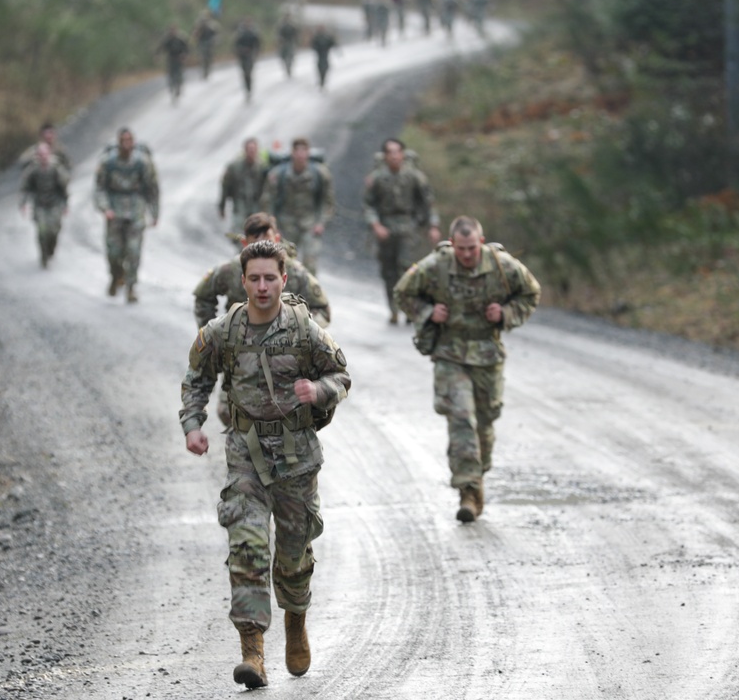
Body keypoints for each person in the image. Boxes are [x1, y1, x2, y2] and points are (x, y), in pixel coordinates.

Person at [180, 239, 351, 689]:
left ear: (283, 280)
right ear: (242, 282)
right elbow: (197, 378)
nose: (261, 286)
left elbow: (340, 374)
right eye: (253, 278)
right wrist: (193, 424)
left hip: (295, 456)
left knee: (293, 556)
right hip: (245, 453)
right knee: (247, 547)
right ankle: (252, 651)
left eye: (269, 278)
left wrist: (319, 392)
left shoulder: (303, 328)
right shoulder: (224, 330)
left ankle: (296, 617)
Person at [394, 216, 540, 523]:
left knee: (484, 426)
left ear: (482, 243)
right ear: (453, 246)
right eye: (461, 249)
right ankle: (468, 492)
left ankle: (477, 476)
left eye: (472, 248)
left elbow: (531, 292)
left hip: (487, 355)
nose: (467, 255)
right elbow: (403, 293)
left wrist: (506, 313)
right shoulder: (436, 265)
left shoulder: (503, 266)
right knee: (462, 420)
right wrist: (428, 311)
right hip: (450, 354)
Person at [194, 212, 332, 426]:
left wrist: (301, 332)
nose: (261, 245)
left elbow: (322, 310)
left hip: (284, 356)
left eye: (266, 239)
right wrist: (214, 335)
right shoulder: (231, 270)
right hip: (241, 353)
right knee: (227, 411)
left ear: (276, 239)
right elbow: (203, 296)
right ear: (244, 243)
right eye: (254, 240)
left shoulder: (294, 272)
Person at [363, 138, 442, 323]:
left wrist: (433, 225)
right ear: (385, 156)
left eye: (397, 152)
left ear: (403, 154)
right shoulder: (377, 178)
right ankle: (393, 309)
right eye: (390, 152)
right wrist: (376, 225)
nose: (394, 156)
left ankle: (409, 308)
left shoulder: (414, 177)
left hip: (408, 226)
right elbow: (368, 205)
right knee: (388, 271)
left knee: (408, 269)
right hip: (386, 227)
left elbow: (428, 202)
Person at [94, 127, 159, 301]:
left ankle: (131, 287)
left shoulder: (142, 163)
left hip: (136, 209)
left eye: (130, 140)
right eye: (124, 141)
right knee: (114, 252)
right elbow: (100, 188)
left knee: (133, 250)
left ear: (134, 142)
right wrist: (105, 208)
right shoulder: (108, 162)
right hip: (115, 211)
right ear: (118, 143)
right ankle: (116, 276)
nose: (127, 144)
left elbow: (152, 188)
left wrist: (154, 212)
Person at [260, 138, 335, 275]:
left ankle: (309, 295)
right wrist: (272, 227)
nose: (300, 154)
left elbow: (328, 201)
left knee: (310, 264)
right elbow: (267, 201)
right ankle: (285, 295)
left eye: (304, 151)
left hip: (310, 224)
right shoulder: (278, 174)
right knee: (284, 264)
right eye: (297, 151)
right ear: (292, 153)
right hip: (285, 225)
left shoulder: (320, 174)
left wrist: (321, 222)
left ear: (308, 153)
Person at [19, 142, 69, 268]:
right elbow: (25, 187)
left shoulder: (55, 168)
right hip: (40, 204)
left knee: (54, 230)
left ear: (49, 154)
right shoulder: (33, 170)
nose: (43, 157)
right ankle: (44, 256)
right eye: (40, 154)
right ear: (37, 155)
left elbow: (64, 186)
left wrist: (65, 204)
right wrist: (23, 203)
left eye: (45, 154)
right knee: (42, 231)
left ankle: (51, 249)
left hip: (54, 204)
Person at [219, 138, 268, 235]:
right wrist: (222, 206)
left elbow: (268, 189)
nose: (252, 152)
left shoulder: (262, 167)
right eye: (249, 149)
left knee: (257, 234)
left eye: (254, 149)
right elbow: (225, 186)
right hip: (239, 204)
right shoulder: (234, 167)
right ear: (245, 150)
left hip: (256, 205)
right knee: (238, 233)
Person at [155, 24, 190, 103]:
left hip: (179, 58)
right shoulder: (167, 39)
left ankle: (178, 87)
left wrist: (185, 55)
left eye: (174, 30)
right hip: (170, 59)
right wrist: (158, 56)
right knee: (170, 74)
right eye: (171, 30)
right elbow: (160, 48)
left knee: (179, 74)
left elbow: (187, 47)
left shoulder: (181, 38)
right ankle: (171, 88)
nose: (172, 32)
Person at [233, 19, 263, 101]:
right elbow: (235, 45)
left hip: (250, 55)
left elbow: (257, 44)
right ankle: (247, 88)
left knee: (248, 73)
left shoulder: (253, 33)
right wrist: (239, 52)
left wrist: (255, 53)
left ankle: (249, 88)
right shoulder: (240, 34)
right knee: (244, 74)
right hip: (242, 56)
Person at [192, 10, 221, 80]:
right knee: (202, 57)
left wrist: (215, 41)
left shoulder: (212, 25)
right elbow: (195, 35)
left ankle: (207, 70)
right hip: (202, 43)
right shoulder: (198, 26)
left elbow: (216, 34)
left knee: (208, 58)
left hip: (209, 43)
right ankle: (204, 71)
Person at [309, 25, 339, 90]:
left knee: (325, 68)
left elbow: (333, 43)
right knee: (320, 68)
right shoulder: (317, 37)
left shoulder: (327, 37)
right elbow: (313, 45)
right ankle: (321, 80)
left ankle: (323, 80)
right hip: (320, 55)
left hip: (325, 55)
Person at [276, 11, 301, 78]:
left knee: (290, 56)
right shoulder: (281, 24)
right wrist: (280, 40)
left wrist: (296, 41)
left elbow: (296, 34)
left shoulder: (293, 25)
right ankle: (286, 66)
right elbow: (278, 33)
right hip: (283, 43)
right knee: (283, 56)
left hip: (290, 42)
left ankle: (289, 67)